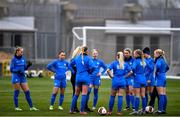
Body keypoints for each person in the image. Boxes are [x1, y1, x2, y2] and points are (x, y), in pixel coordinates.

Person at [10, 47, 39, 111]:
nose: (22, 53)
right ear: (17, 52)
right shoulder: (13, 59)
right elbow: (11, 69)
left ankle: (31, 107)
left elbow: (24, 68)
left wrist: (28, 65)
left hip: (22, 77)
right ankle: (16, 107)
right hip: (16, 77)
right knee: (17, 92)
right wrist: (17, 70)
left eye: (22, 52)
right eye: (21, 52)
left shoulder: (23, 58)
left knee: (27, 92)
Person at [70, 46, 95, 115]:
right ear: (86, 51)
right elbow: (93, 67)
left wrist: (73, 71)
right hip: (85, 77)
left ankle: (71, 110)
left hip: (77, 77)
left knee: (76, 94)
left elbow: (70, 65)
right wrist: (90, 71)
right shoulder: (88, 58)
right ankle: (82, 111)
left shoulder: (77, 58)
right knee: (84, 94)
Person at [107, 52, 131, 116]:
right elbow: (131, 72)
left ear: (117, 56)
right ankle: (119, 112)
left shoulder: (114, 63)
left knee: (112, 96)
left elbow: (108, 70)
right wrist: (125, 76)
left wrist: (111, 76)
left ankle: (109, 111)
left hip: (115, 81)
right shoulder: (125, 64)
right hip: (122, 81)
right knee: (120, 96)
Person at [129, 49, 148, 115]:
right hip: (143, 78)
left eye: (134, 53)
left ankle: (136, 111)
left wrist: (133, 74)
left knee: (137, 95)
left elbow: (133, 69)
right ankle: (144, 110)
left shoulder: (136, 61)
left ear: (137, 54)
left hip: (137, 79)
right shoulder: (144, 61)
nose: (133, 55)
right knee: (143, 95)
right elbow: (148, 69)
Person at [154, 49, 169, 114]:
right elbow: (167, 67)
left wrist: (156, 72)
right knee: (163, 94)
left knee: (160, 94)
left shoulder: (159, 60)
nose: (154, 55)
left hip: (160, 77)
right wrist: (163, 72)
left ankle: (160, 110)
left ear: (158, 54)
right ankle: (163, 110)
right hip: (164, 77)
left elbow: (158, 66)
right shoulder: (163, 60)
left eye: (155, 54)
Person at [70, 46, 81, 112]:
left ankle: (84, 107)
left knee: (82, 92)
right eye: (80, 51)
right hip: (74, 78)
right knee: (75, 92)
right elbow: (69, 66)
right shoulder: (73, 59)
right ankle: (74, 108)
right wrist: (73, 71)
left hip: (79, 77)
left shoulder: (79, 59)